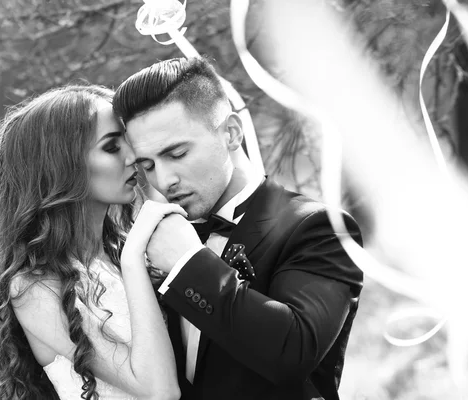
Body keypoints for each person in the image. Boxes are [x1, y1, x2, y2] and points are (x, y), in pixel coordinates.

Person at [112, 57, 365, 400]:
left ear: (231, 132)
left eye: (177, 153)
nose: (164, 180)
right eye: (148, 165)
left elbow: (293, 354)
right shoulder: (154, 242)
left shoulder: (319, 227)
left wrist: (188, 263)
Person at [0, 85, 183, 400]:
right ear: (62, 166)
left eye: (127, 141)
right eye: (111, 147)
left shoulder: (120, 252)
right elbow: (159, 389)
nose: (133, 156)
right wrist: (134, 257)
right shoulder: (36, 287)